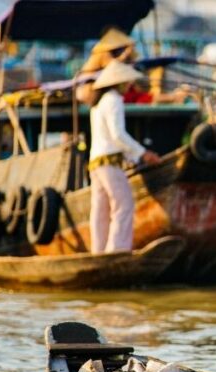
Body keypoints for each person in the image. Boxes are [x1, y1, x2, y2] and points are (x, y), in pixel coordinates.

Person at [88, 61, 161, 253]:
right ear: (119, 83)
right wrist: (142, 153)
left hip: (96, 162)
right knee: (124, 205)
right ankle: (117, 250)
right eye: (127, 83)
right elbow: (118, 135)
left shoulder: (99, 103)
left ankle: (99, 251)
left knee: (100, 211)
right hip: (109, 162)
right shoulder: (113, 101)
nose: (129, 86)